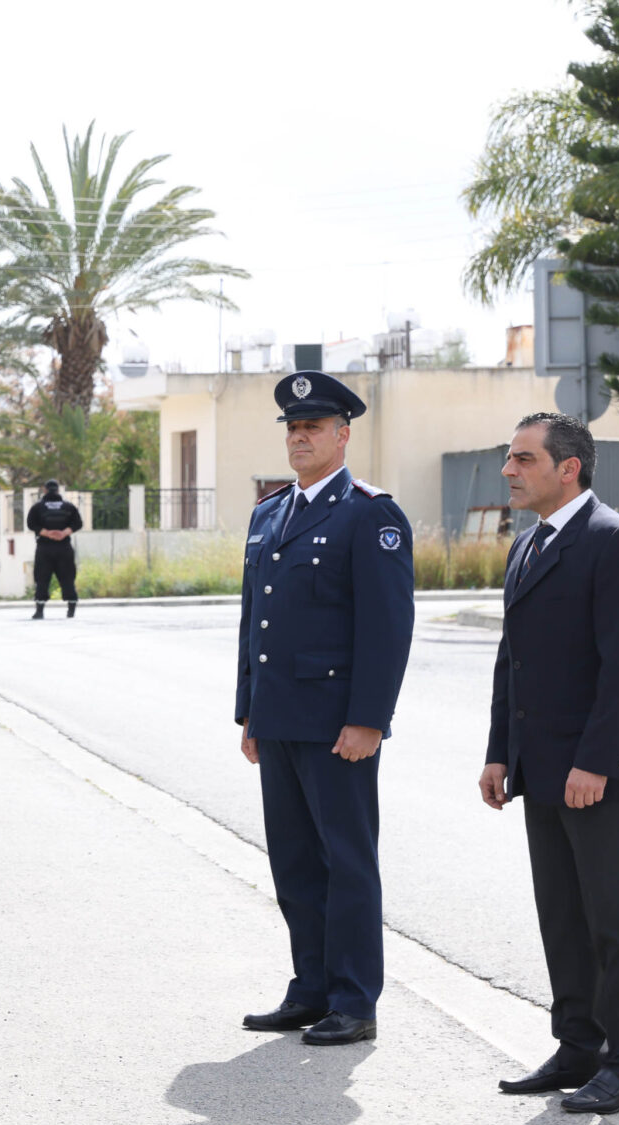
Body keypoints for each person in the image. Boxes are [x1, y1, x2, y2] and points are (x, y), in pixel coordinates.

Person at [481, 412, 619, 1115]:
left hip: (599, 773)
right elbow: (512, 663)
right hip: (541, 769)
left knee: (615, 922)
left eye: (523, 458)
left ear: (569, 469)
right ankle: (577, 1045)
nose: (509, 470)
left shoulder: (616, 542)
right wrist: (500, 751)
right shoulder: (527, 546)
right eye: (509, 457)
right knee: (561, 915)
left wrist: (595, 763)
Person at [236, 371, 414, 1047]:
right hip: (279, 719)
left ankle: (353, 998)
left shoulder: (369, 513)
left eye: (314, 427)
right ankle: (309, 987)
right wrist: (249, 709)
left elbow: (387, 627)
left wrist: (369, 719)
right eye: (292, 427)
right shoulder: (269, 513)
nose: (300, 437)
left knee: (347, 861)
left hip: (338, 724)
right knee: (294, 863)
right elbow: (256, 620)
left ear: (343, 435)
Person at [25, 481, 82, 619]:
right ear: (58, 490)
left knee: (42, 578)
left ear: (44, 490)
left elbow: (31, 524)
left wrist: (47, 533)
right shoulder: (68, 506)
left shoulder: (38, 507)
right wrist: (63, 533)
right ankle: (71, 610)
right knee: (68, 577)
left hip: (45, 548)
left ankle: (39, 611)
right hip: (64, 548)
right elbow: (78, 523)